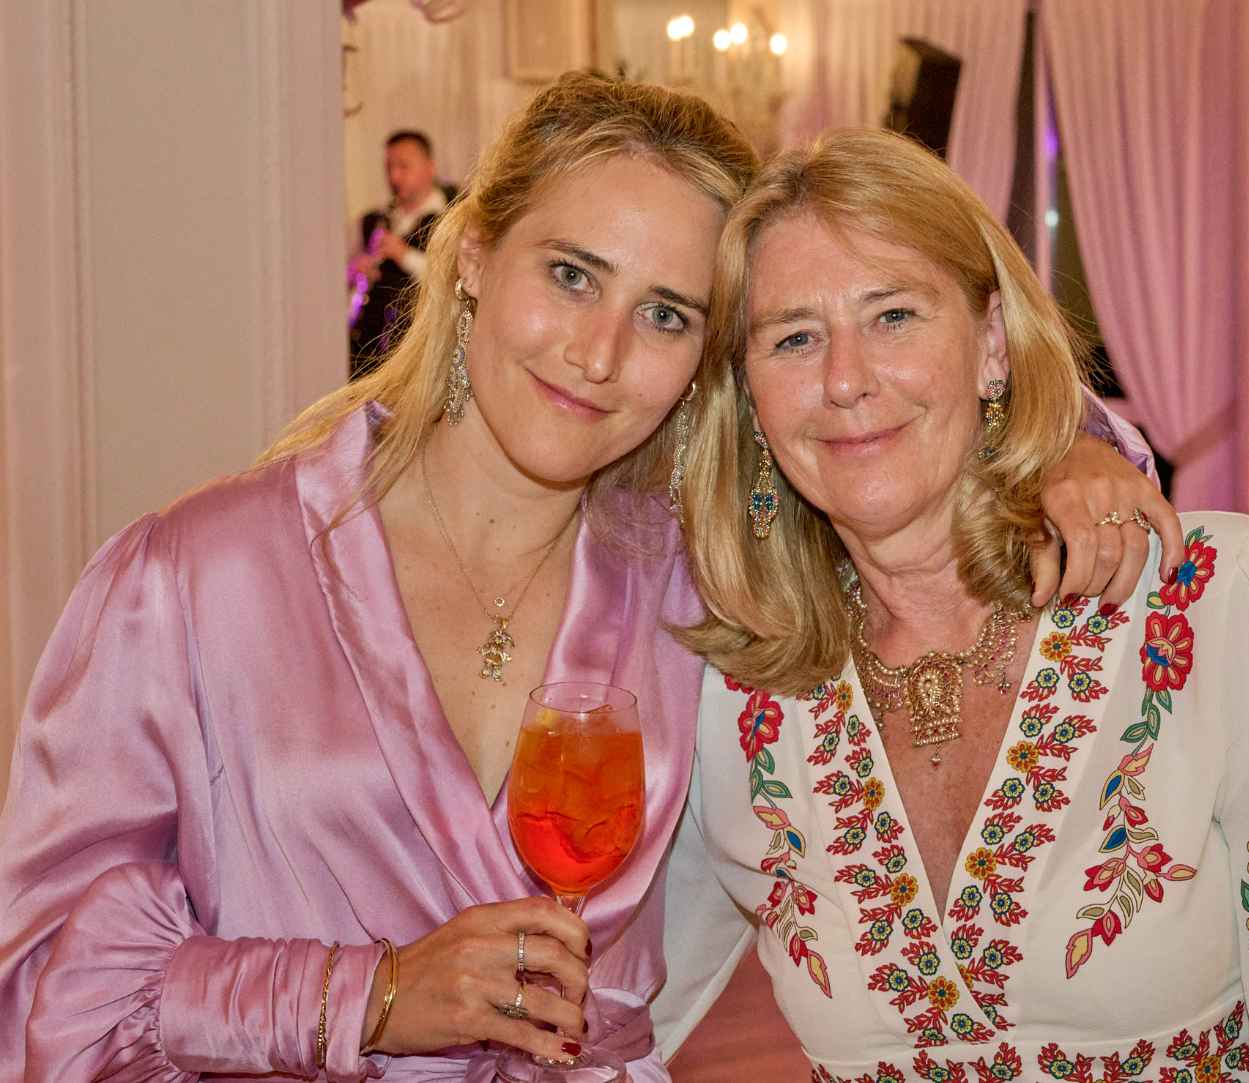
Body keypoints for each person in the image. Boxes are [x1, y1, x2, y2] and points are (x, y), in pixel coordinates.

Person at [0, 74, 1173, 1077]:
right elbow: (50, 985)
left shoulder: (697, 572)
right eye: (570, 275)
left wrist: (1078, 455)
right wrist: (370, 995)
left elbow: (903, 459)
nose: (599, 354)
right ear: (473, 256)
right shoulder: (194, 580)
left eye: (664, 314)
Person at [658, 129, 1249, 1083]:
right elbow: (613, 1006)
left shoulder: (1224, 601)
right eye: (795, 337)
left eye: (893, 315)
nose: (845, 378)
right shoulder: (735, 699)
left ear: (990, 345)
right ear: (749, 396)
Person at [348, 130, 455, 376]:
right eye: (389, 167)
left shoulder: (450, 219)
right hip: (366, 351)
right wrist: (356, 271)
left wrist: (404, 255)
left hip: (416, 356)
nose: (394, 176)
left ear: (430, 167)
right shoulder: (375, 220)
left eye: (403, 166)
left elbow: (452, 279)